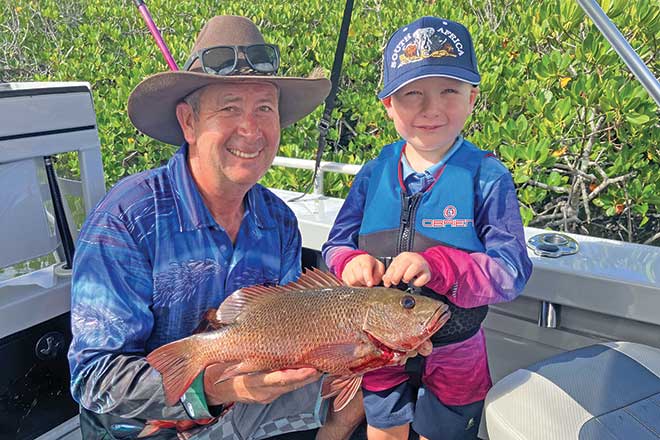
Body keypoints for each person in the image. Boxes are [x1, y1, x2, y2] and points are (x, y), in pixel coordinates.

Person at [68, 15, 361, 440]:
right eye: (229, 108)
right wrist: (209, 387)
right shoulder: (126, 220)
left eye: (265, 108)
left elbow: (287, 328)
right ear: (188, 122)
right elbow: (94, 378)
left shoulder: (279, 222)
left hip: (240, 415)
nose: (251, 129)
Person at [322, 16, 533, 440]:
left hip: (458, 352)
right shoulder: (372, 174)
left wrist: (441, 267)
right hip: (378, 348)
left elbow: (511, 272)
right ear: (388, 105)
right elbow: (335, 244)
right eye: (411, 93)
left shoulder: (488, 177)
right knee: (384, 428)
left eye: (449, 91)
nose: (430, 108)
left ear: (472, 98)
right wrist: (348, 262)